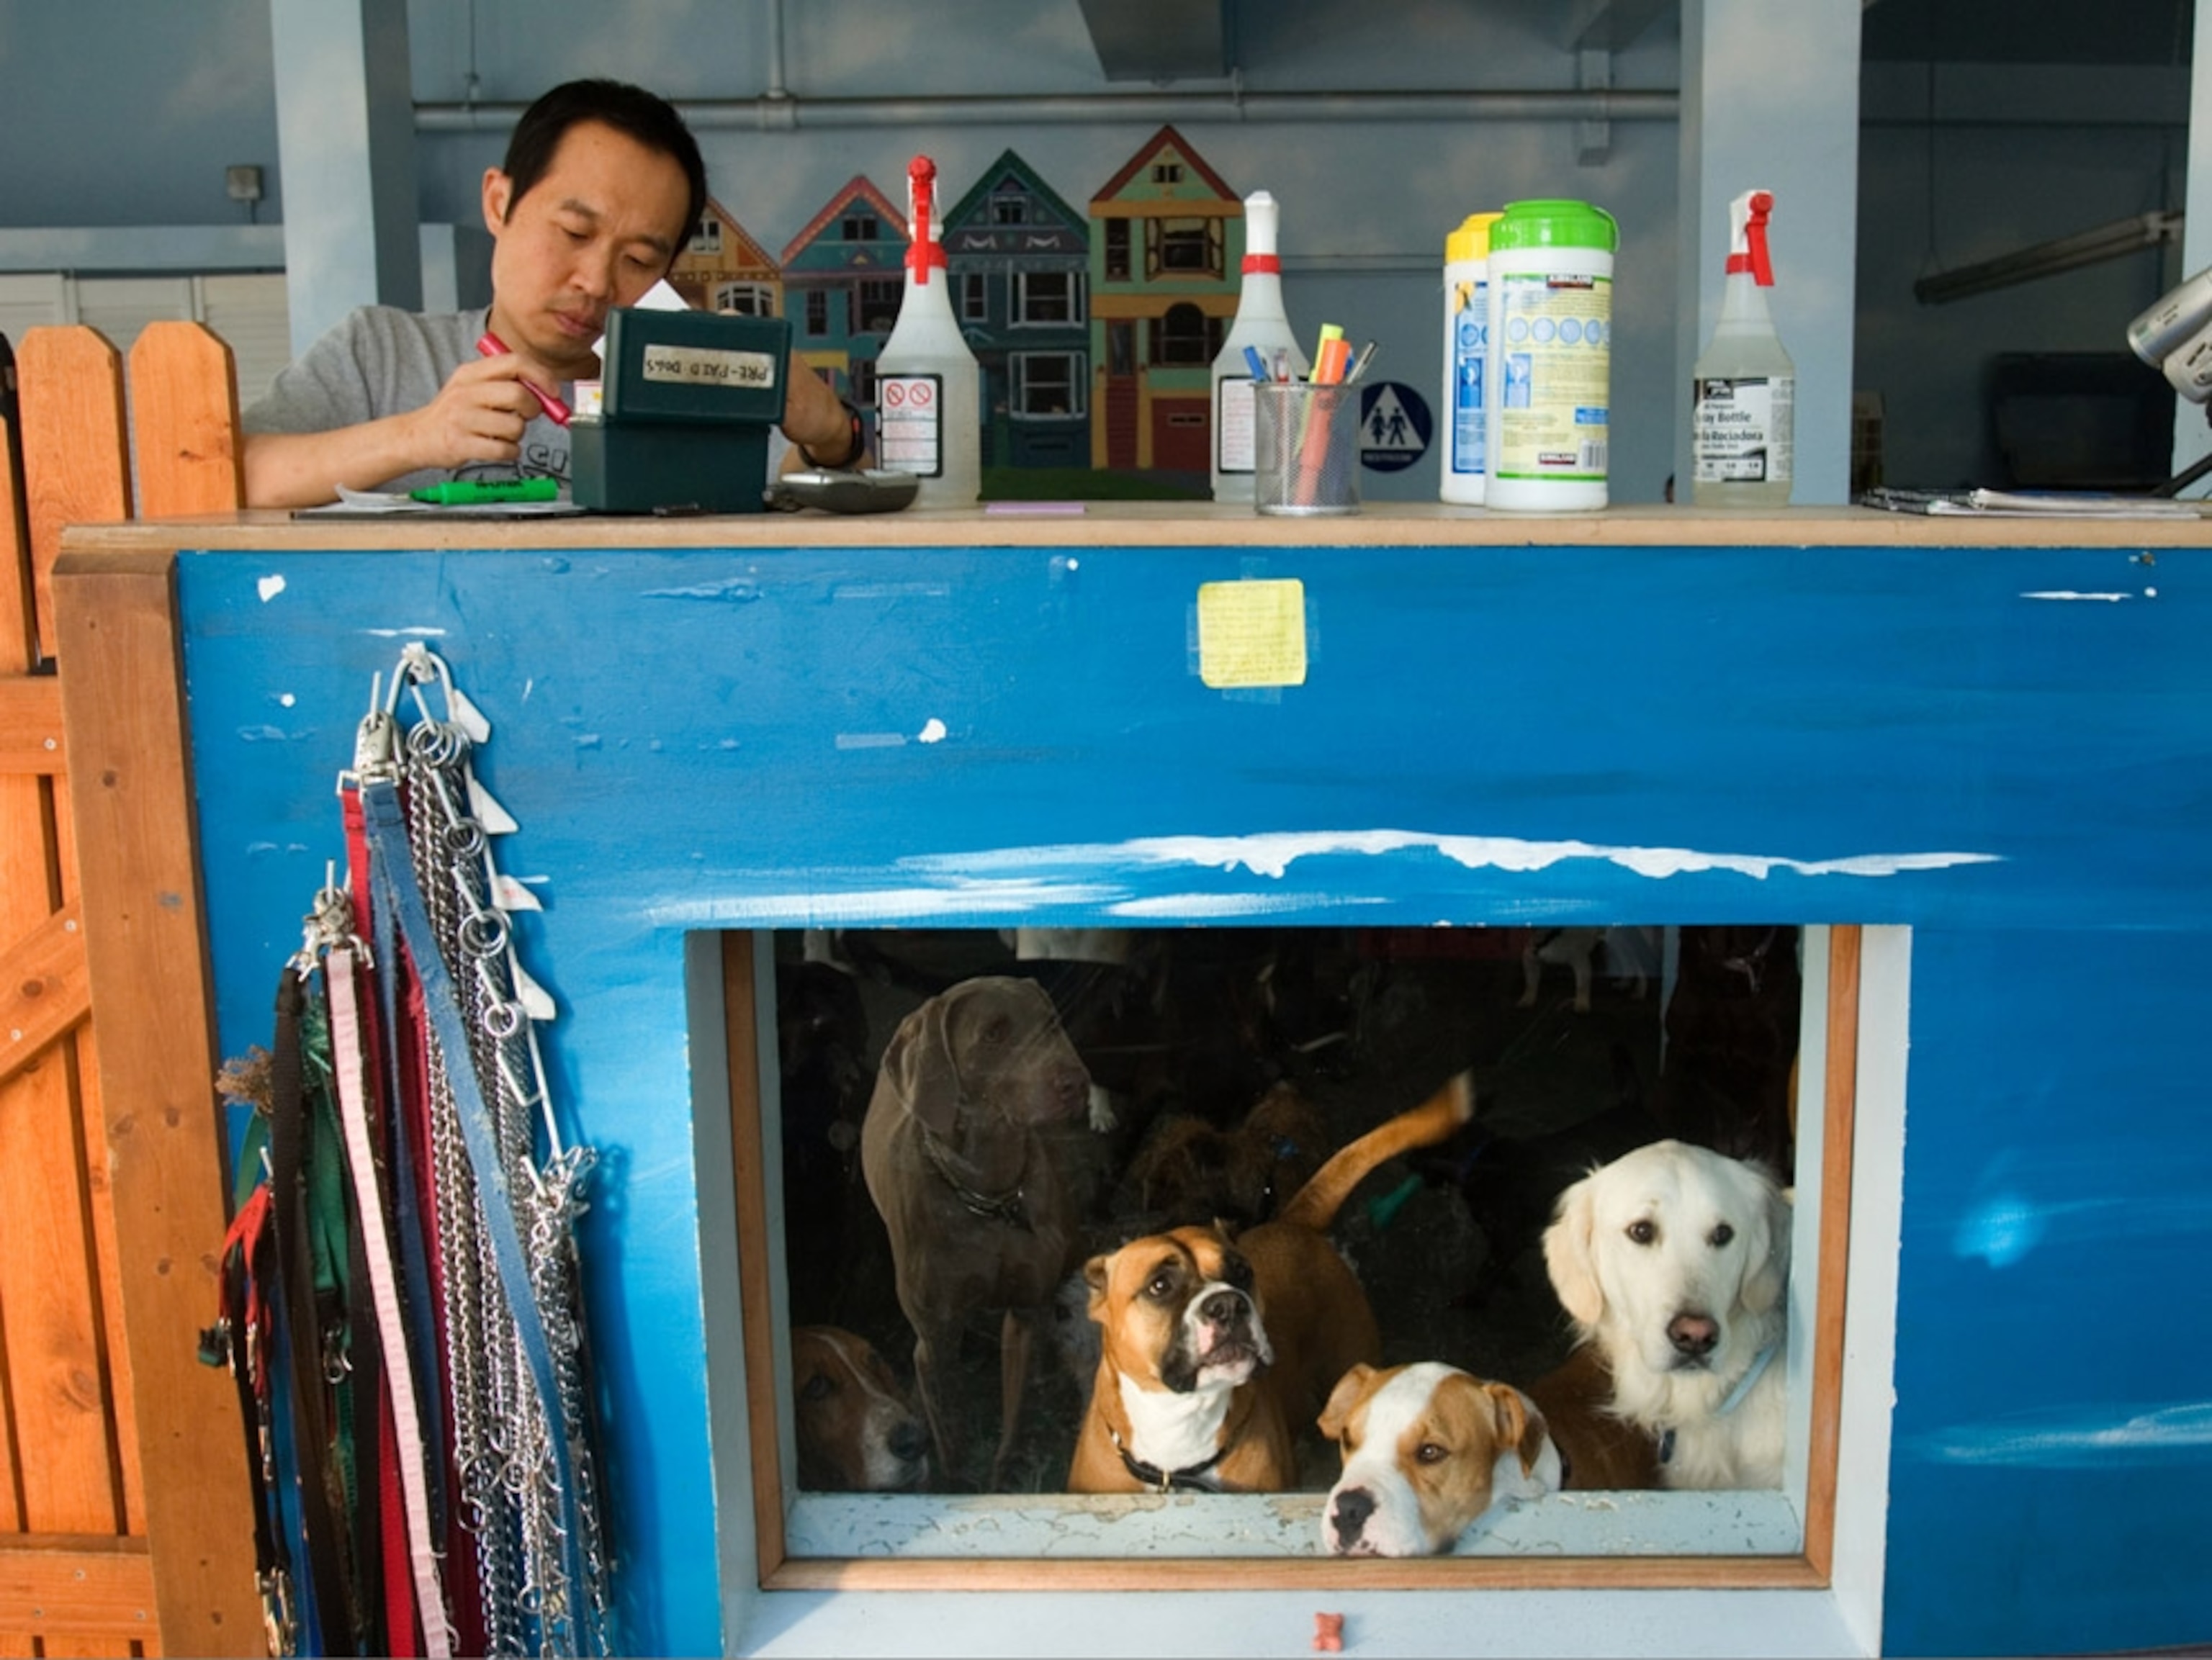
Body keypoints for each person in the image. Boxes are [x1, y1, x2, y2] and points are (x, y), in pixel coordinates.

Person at [242, 78, 863, 507]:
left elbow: (815, 504)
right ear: (499, 202)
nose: (594, 282)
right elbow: (238, 474)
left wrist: (833, 436)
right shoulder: (380, 353)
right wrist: (416, 437)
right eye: (573, 232)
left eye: (639, 259)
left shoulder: (694, 379)